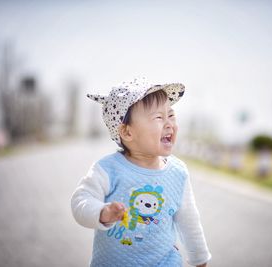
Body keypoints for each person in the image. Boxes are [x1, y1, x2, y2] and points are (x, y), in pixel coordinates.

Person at [71, 77, 211, 267]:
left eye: (171, 115)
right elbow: (80, 201)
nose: (169, 123)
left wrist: (200, 259)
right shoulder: (108, 169)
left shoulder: (178, 172)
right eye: (159, 118)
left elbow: (189, 221)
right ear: (127, 133)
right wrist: (102, 212)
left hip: (166, 262)